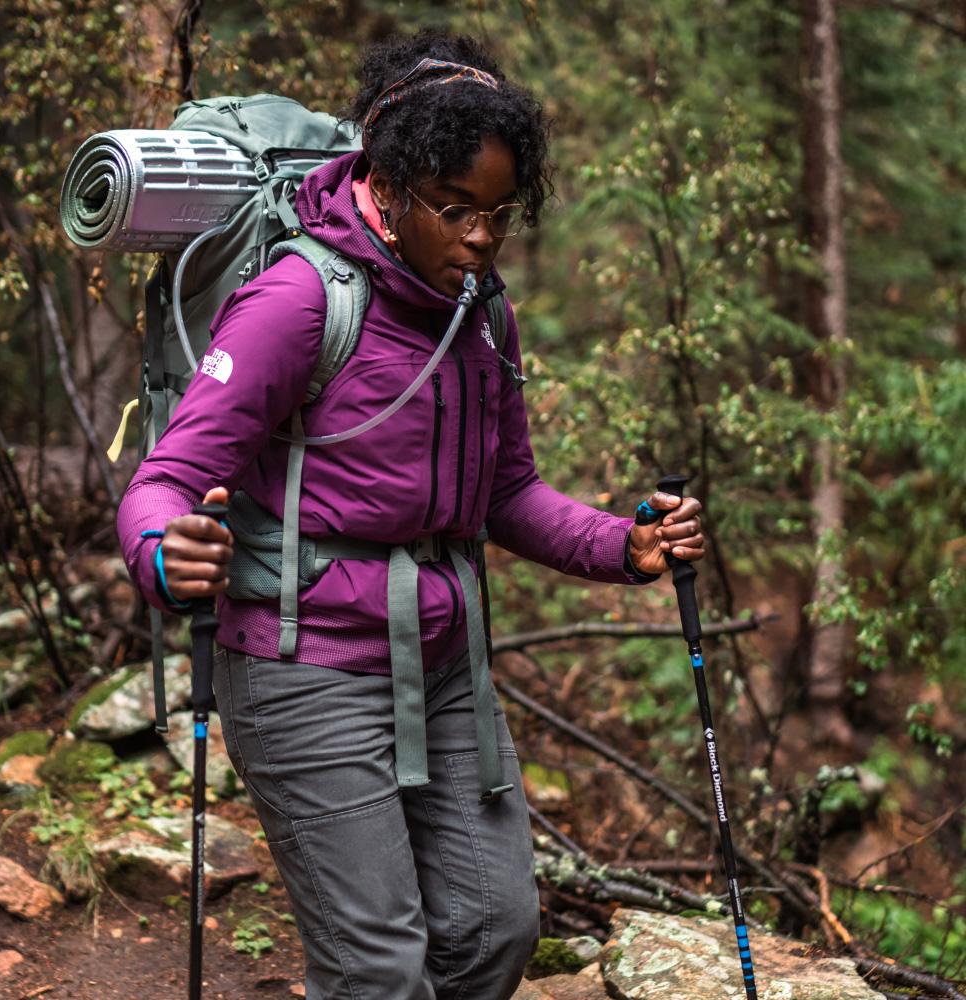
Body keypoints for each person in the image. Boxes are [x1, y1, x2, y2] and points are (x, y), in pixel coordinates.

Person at [117, 28, 705, 1000]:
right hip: (299, 663)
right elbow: (164, 478)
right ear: (386, 188)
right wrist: (161, 550)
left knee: (494, 931)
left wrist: (624, 545)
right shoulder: (298, 301)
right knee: (378, 969)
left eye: (500, 213)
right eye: (455, 208)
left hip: (441, 662)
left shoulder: (482, 310)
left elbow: (505, 492)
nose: (480, 237)